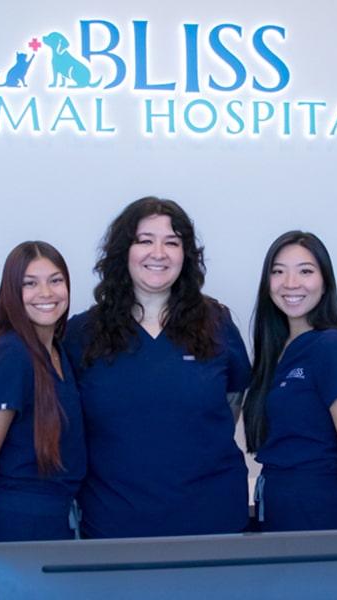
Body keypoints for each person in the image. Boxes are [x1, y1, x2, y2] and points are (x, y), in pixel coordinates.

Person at [63, 196, 251, 538]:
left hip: (213, 522)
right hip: (114, 526)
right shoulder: (82, 334)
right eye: (145, 240)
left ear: (186, 254)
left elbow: (233, 398)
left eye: (172, 242)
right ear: (124, 252)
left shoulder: (217, 323)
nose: (159, 253)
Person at [242, 231, 337, 532]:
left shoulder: (332, 346)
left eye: (305, 271)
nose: (291, 283)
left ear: (325, 282)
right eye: (278, 272)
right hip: (275, 500)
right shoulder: (276, 349)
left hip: (317, 505)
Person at [0, 241, 86, 542]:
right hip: (17, 527)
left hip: (59, 522)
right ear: (11, 293)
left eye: (55, 281)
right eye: (30, 283)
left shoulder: (58, 350)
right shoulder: (11, 355)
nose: (46, 293)